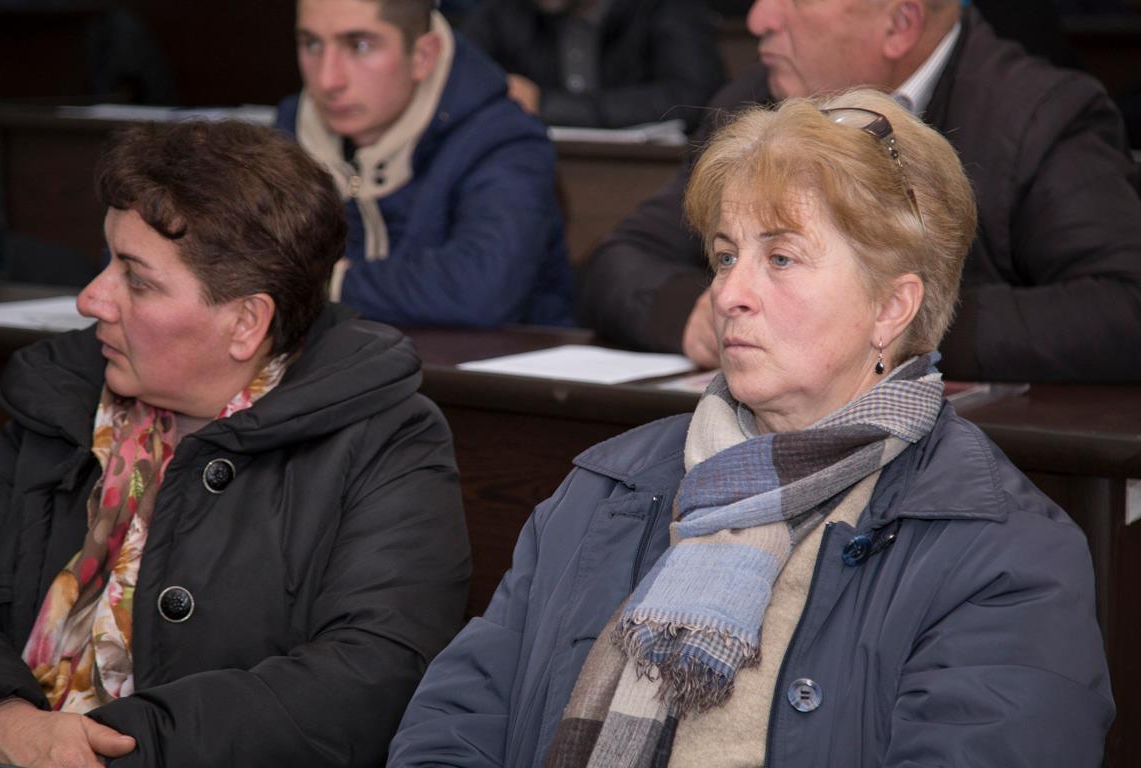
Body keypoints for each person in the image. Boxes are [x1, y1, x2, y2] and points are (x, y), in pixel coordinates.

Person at [388, 89, 1113, 766]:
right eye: (727, 255)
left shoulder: (1006, 554)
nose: (728, 292)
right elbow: (455, 721)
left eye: (781, 257)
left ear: (892, 308)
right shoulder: (605, 488)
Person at [0, 120, 471, 767]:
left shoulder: (386, 438)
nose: (90, 299)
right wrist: (4, 715)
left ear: (246, 322)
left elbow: (372, 676)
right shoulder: (59, 400)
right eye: (106, 261)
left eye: (136, 279)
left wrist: (106, 746)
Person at [577, 0, 1141, 383]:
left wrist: (887, 327)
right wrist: (695, 313)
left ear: (899, 24)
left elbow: (1123, 309)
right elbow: (618, 261)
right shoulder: (754, 103)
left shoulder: (1039, 116)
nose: (758, 18)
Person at [276, 0, 572, 328]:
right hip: (345, 355)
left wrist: (326, 282)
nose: (328, 79)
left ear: (423, 56)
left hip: (500, 360)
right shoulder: (289, 130)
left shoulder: (505, 137)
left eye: (360, 46)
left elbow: (480, 290)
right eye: (312, 44)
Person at [461, 0, 725, 132]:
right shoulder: (504, 11)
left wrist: (546, 105)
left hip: (646, 178)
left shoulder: (667, 8)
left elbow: (695, 98)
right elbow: (457, 81)